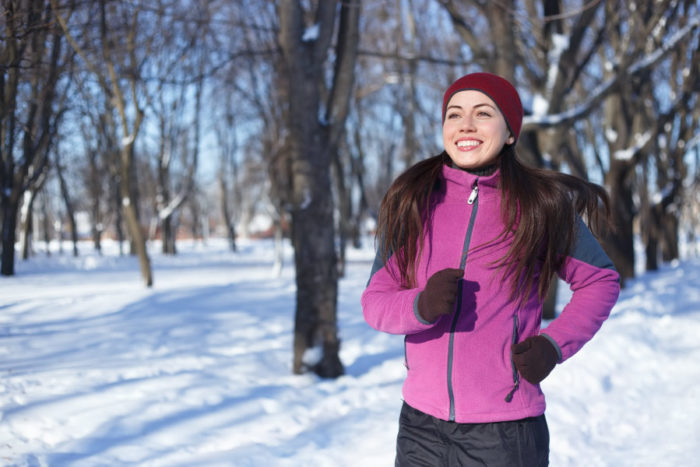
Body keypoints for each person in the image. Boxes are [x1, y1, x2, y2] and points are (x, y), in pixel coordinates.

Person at [361, 72, 620, 466]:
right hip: (420, 427)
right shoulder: (412, 204)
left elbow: (599, 281)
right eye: (454, 114)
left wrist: (553, 344)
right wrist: (420, 305)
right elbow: (375, 302)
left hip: (504, 431)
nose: (465, 124)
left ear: (511, 132)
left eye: (483, 113)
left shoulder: (543, 207)